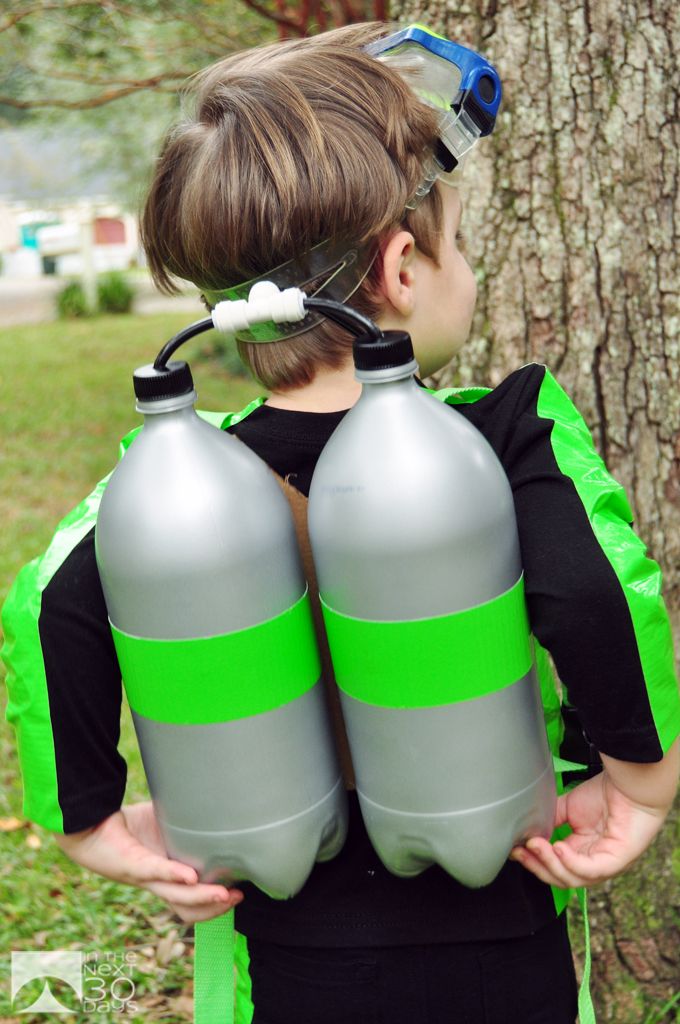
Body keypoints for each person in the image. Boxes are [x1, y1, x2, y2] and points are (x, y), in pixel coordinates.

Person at [3, 22, 679, 1024]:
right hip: (497, 920)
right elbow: (592, 589)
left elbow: (49, 604)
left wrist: (88, 822)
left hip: (285, 940)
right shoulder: (507, 432)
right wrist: (640, 780)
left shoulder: (174, 485)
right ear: (404, 265)